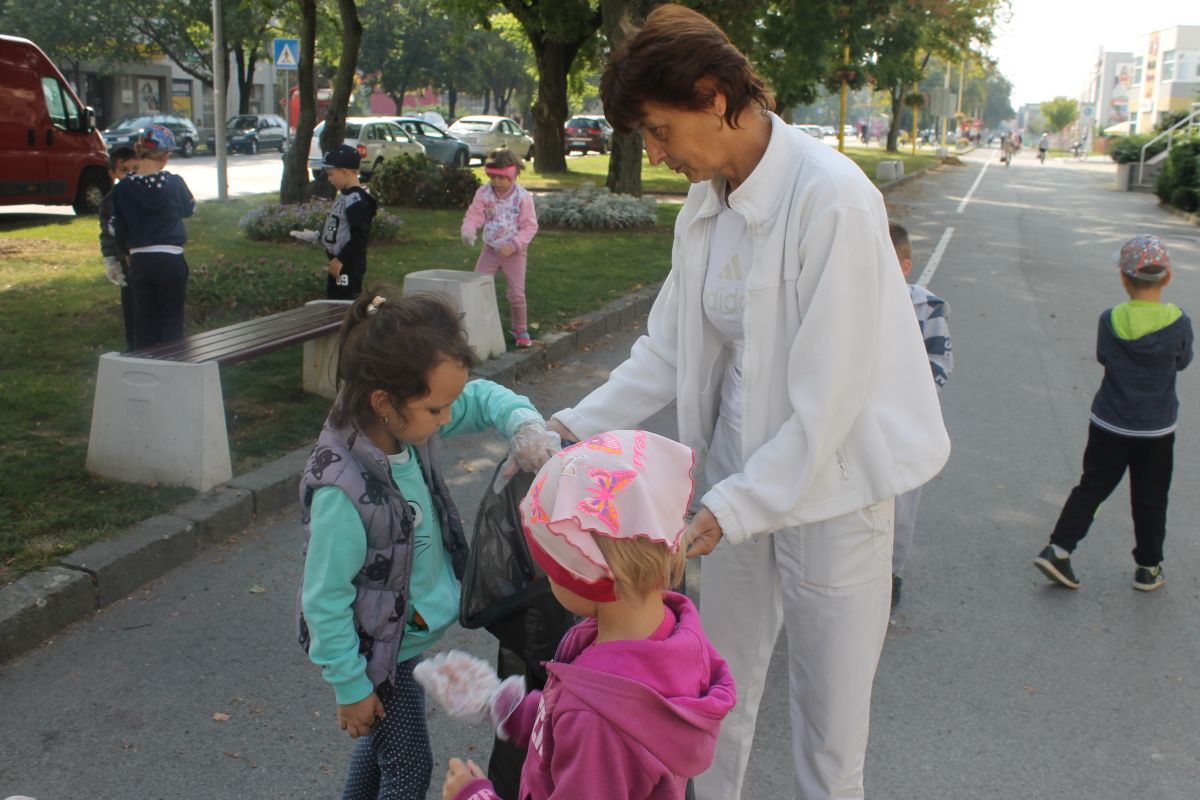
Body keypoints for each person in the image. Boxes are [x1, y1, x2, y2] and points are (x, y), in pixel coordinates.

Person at [544, 7, 950, 799]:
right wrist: (567, 427)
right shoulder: (707, 206)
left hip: (832, 494)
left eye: (659, 130)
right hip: (733, 487)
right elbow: (668, 349)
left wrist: (733, 506)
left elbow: (829, 403)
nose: (656, 155)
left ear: (713, 96)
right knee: (711, 705)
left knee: (830, 739)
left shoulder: (832, 199)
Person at [297, 290, 561, 800]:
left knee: (380, 751)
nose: (447, 418)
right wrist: (351, 687)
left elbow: (478, 398)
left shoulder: (401, 424)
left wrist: (523, 423)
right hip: (375, 655)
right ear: (384, 401)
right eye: (437, 408)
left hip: (399, 640)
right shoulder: (343, 492)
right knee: (409, 767)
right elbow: (323, 599)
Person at [420, 429, 737, 800]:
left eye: (548, 569)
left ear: (581, 579)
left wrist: (473, 796)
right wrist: (507, 707)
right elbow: (577, 724)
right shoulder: (672, 632)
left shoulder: (596, 719)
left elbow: (588, 725)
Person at [1034, 235, 1192, 592]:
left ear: (1123, 278)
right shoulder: (1179, 322)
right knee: (1151, 497)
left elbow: (1105, 356)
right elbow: (1182, 361)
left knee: (1092, 487)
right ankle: (1148, 567)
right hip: (1155, 431)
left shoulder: (1111, 319)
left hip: (1109, 424)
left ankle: (1058, 549)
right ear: (1167, 278)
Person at [888, 222, 953, 609]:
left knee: (901, 507)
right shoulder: (854, 301)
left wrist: (907, 396)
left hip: (907, 428)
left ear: (905, 267)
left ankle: (891, 572)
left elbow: (939, 364)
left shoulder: (927, 309)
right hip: (861, 426)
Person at [112, 124, 195, 348]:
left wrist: (126, 252)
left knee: (144, 319)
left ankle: (146, 361)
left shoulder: (123, 188)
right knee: (171, 318)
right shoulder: (174, 183)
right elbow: (189, 209)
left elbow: (118, 226)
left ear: (138, 150)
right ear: (166, 155)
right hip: (171, 258)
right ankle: (173, 361)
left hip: (140, 260)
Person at [460, 147, 538, 348]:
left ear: (513, 175)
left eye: (501, 178)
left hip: (515, 253)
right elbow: (474, 214)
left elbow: (530, 226)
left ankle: (520, 329)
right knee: (476, 286)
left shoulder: (522, 197)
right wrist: (468, 230)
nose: (496, 182)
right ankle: (476, 324)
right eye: (492, 177)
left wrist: (513, 245)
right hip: (490, 250)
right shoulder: (484, 193)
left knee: (516, 294)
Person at [291, 144, 379, 300]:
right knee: (334, 299)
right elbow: (340, 228)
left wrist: (341, 259)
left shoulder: (356, 201)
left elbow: (360, 237)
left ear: (344, 171)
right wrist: (318, 237)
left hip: (348, 264)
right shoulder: (345, 196)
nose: (329, 179)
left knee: (343, 303)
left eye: (331, 174)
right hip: (338, 262)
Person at [99, 145, 138, 351]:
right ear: (113, 173)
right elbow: (107, 234)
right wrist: (111, 261)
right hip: (125, 262)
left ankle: (158, 347)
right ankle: (133, 347)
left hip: (146, 259)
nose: (130, 174)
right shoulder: (109, 201)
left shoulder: (145, 193)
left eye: (134, 169)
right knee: (130, 305)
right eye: (124, 170)